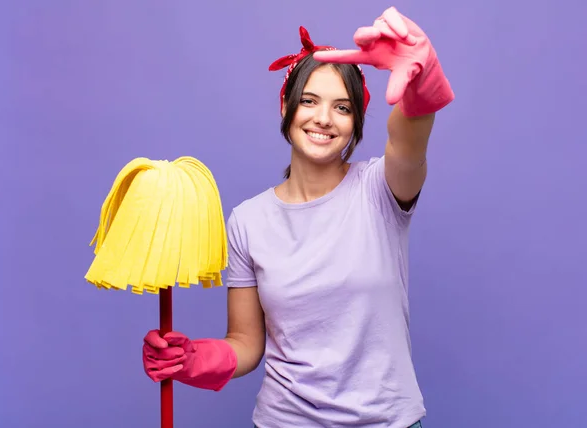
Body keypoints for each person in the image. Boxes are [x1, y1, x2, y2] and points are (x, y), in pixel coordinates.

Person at [142, 6, 454, 428]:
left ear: (356, 123)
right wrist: (193, 359)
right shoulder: (247, 221)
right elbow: (247, 344)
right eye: (309, 101)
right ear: (286, 109)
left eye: (342, 108)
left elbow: (409, 140)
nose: (323, 118)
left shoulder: (381, 187)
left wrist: (422, 80)